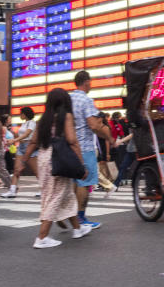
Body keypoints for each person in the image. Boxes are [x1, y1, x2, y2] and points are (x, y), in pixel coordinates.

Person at [15, 88, 92, 248]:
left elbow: (33, 142)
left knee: (67, 194)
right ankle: (42, 237)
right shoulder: (66, 117)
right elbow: (72, 141)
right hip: (58, 158)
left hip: (44, 158)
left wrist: (23, 161)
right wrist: (81, 165)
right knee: (55, 197)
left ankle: (77, 229)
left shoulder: (44, 119)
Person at [70, 70, 114, 229]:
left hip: (70, 147)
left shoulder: (69, 98)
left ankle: (73, 216)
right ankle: (81, 218)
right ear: (86, 82)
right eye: (90, 81)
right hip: (85, 147)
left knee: (75, 182)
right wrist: (109, 137)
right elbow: (94, 125)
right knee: (84, 182)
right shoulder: (86, 100)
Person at [3, 106, 37, 198]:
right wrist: (14, 139)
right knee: (16, 170)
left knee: (36, 171)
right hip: (21, 147)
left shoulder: (32, 123)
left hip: (29, 147)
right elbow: (21, 135)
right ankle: (12, 191)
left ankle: (45, 190)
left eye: (21, 113)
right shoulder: (24, 124)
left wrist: (14, 140)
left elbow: (27, 134)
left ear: (25, 114)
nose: (20, 115)